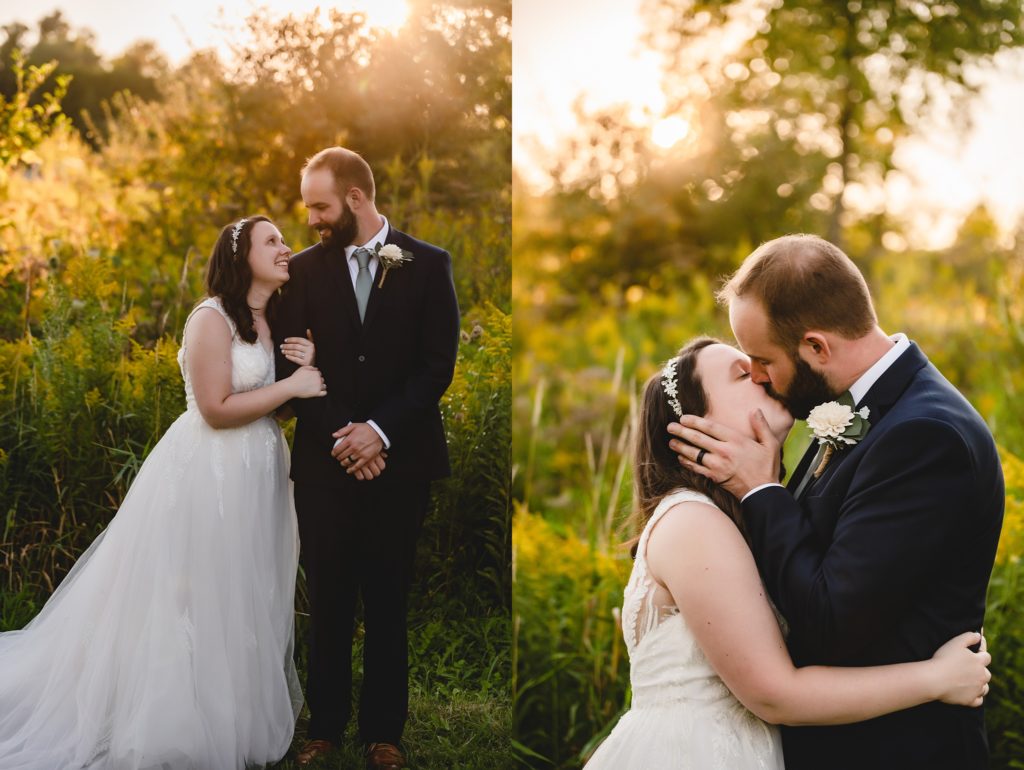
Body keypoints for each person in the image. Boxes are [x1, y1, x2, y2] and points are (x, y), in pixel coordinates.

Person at [0, 215, 326, 769]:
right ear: (239, 255)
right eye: (271, 241)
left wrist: (305, 372)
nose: (285, 247)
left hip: (259, 474)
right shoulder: (211, 317)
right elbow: (217, 409)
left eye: (283, 239)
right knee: (193, 595)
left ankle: (231, 718)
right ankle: (171, 721)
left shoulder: (271, 319)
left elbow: (269, 401)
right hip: (209, 472)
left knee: (242, 592)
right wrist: (292, 385)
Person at [668, 234, 1004, 769]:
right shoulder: (861, 408)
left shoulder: (924, 435)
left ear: (817, 347)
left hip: (894, 751)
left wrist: (761, 491)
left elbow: (831, 624)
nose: (757, 375)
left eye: (762, 359)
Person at [584, 336, 991, 769]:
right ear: (695, 426)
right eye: (743, 374)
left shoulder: (745, 515)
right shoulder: (692, 523)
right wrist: (935, 679)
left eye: (759, 365)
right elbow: (775, 694)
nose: (761, 375)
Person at [272, 147, 460, 770]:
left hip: (400, 462)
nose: (313, 221)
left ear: (355, 198)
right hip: (326, 463)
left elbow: (437, 367)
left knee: (387, 597)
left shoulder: (429, 265)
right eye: (308, 209)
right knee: (327, 596)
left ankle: (385, 734)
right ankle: (323, 727)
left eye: (320, 207)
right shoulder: (298, 272)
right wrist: (345, 440)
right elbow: (290, 368)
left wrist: (378, 432)